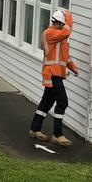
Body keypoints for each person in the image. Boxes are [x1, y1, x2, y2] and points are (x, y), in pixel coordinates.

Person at [29, 9, 79, 146]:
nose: (63, 27)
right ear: (56, 22)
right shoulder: (50, 33)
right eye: (62, 24)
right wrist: (69, 16)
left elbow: (65, 57)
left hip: (56, 73)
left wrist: (73, 67)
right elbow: (66, 32)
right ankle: (57, 134)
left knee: (47, 102)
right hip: (52, 73)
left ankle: (35, 129)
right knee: (62, 102)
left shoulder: (60, 38)